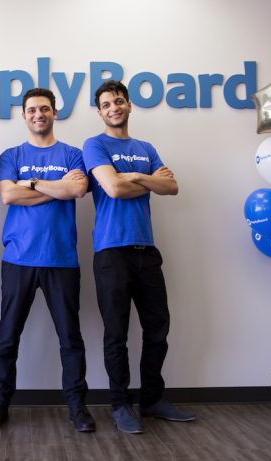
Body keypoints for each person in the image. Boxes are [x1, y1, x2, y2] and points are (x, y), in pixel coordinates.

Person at [82, 80, 195, 434]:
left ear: (129, 106)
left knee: (157, 328)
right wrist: (147, 180)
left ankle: (151, 399)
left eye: (119, 101)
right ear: (99, 112)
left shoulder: (145, 147)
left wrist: (133, 175)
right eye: (106, 104)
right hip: (111, 252)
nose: (113, 107)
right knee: (116, 333)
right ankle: (119, 404)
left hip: (147, 251)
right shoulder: (94, 144)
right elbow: (112, 188)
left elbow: (172, 187)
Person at [0, 88, 94, 433]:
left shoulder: (73, 154)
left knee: (70, 338)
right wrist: (50, 186)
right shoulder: (11, 155)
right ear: (24, 115)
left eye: (44, 109)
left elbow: (75, 190)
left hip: (62, 259)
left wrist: (30, 185)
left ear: (54, 113)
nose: (38, 114)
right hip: (18, 258)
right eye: (32, 110)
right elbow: (9, 195)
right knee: (7, 337)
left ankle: (77, 407)